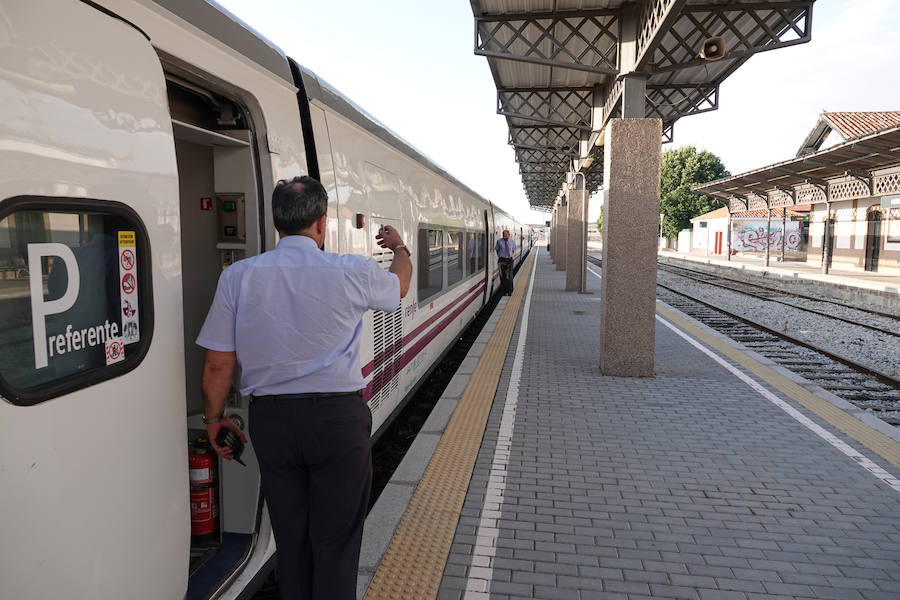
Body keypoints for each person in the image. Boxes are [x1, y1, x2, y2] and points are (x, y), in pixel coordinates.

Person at [196, 176, 412, 600]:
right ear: (321, 222)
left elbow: (218, 364)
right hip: (337, 423)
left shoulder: (237, 277)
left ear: (278, 223)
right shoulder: (351, 271)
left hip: (273, 423)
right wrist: (400, 247)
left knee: (292, 541)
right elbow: (400, 285)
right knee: (335, 544)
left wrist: (215, 420)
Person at [495, 228, 516, 295]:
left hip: (509, 260)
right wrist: (501, 255)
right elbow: (497, 250)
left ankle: (510, 291)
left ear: (509, 235)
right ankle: (504, 291)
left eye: (506, 235)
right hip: (501, 260)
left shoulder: (512, 241)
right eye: (504, 235)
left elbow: (513, 250)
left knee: (509, 277)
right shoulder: (499, 241)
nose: (505, 237)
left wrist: (509, 255)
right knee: (502, 277)